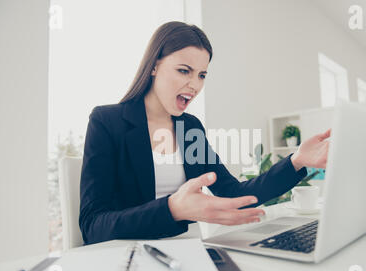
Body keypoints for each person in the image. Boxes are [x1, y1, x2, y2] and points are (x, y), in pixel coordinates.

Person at [80, 21, 330, 245]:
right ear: (154, 66)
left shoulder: (189, 127)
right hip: (127, 257)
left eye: (202, 75)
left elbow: (234, 194)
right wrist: (172, 209)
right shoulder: (107, 121)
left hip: (188, 250)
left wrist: (297, 161)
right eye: (184, 71)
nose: (195, 85)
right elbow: (93, 226)